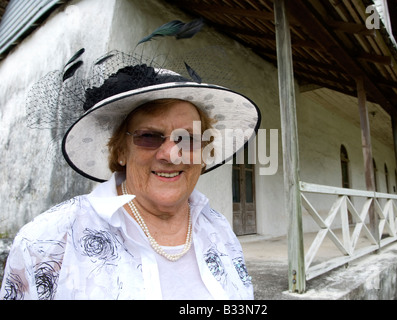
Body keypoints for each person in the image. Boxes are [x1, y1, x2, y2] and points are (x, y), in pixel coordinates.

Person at [0, 22, 260, 300]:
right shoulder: (49, 240)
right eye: (149, 136)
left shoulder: (219, 229)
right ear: (121, 151)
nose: (171, 154)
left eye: (188, 139)